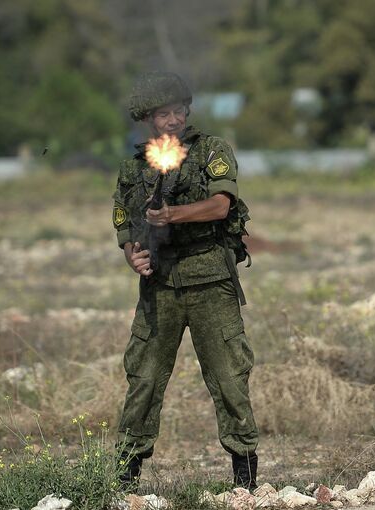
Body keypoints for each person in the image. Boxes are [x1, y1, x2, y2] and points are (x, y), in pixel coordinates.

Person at [111, 71, 258, 491]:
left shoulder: (212, 149)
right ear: (149, 118)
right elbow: (124, 220)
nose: (173, 120)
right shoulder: (134, 168)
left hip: (210, 278)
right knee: (144, 378)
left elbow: (219, 205)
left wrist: (172, 215)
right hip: (159, 284)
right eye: (163, 113)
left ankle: (246, 480)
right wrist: (132, 256)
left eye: (179, 111)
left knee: (229, 378)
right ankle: (126, 480)